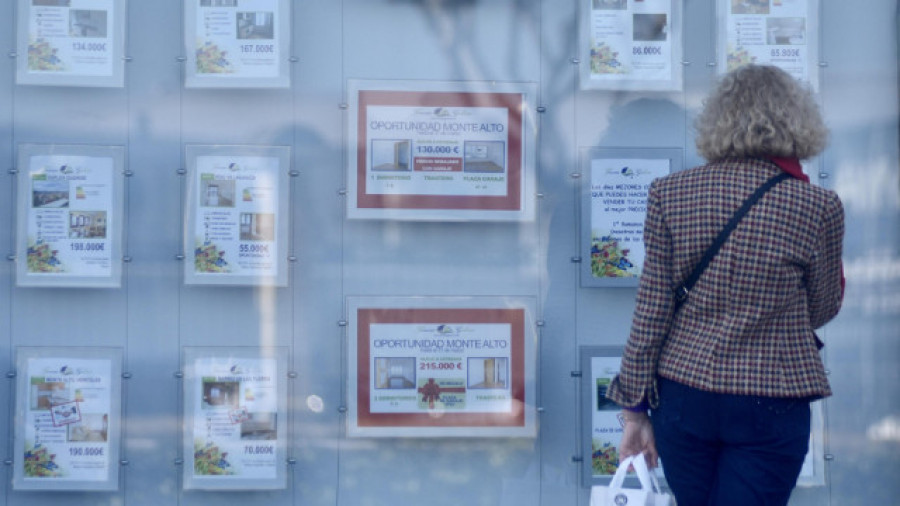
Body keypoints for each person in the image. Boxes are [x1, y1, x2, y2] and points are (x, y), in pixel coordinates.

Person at [606, 64, 844, 506]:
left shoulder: (670, 193)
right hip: (772, 394)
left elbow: (651, 310)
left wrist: (634, 411)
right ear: (797, 120)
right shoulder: (818, 205)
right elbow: (824, 306)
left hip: (684, 393)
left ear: (717, 121)